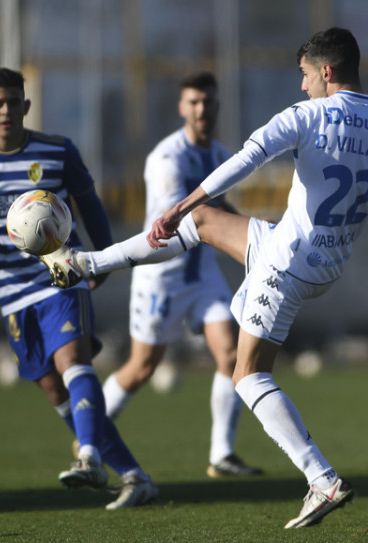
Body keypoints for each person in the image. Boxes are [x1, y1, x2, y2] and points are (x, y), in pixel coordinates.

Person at [40, 27, 368, 528]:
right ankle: (88, 263)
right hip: (320, 261)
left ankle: (321, 479)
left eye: (304, 75)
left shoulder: (307, 115)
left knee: (248, 374)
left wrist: (181, 202)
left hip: (286, 264)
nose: (301, 87)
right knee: (207, 222)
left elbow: (247, 158)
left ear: (325, 72)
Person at [0, 67, 157, 510]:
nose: (5, 111)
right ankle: (135, 476)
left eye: (13, 102)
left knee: (72, 361)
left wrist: (103, 256)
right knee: (52, 388)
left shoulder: (58, 152)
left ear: (26, 106)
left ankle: (88, 458)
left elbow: (90, 204)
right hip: (11, 293)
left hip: (62, 276)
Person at [101, 71, 262, 478]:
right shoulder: (166, 158)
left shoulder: (220, 154)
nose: (201, 109)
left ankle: (221, 456)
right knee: (142, 367)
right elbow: (179, 220)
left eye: (207, 101)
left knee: (231, 353)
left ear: (217, 106)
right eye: (193, 102)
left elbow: (222, 210)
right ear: (182, 108)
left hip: (202, 271)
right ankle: (89, 435)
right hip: (164, 276)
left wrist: (262, 236)